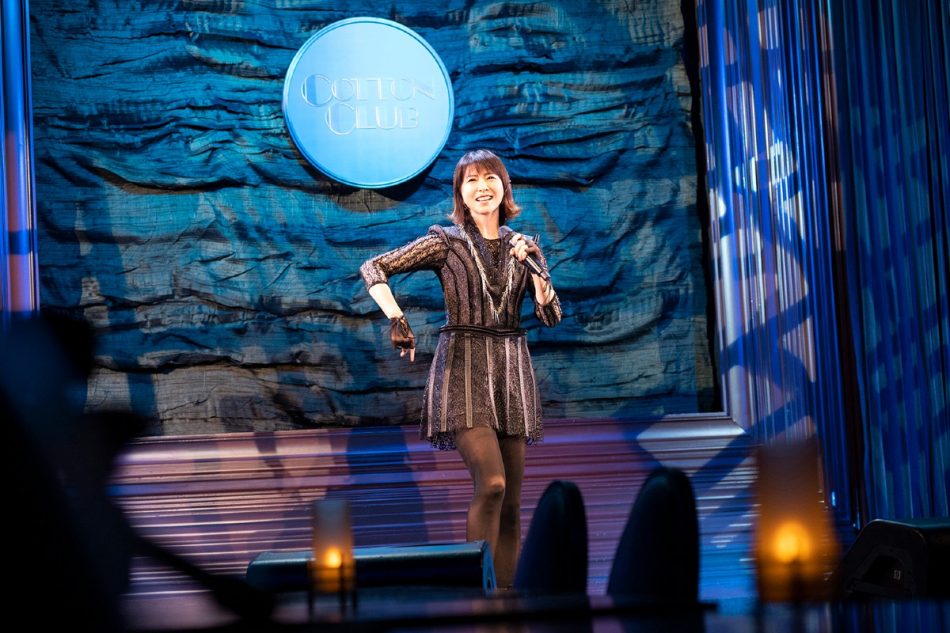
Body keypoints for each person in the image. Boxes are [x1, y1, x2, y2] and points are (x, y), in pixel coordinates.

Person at [360, 149, 562, 588]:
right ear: (461, 194)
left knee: (511, 502)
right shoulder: (445, 241)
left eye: (490, 178)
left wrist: (536, 267)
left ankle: (506, 599)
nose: (482, 187)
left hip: (511, 372)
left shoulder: (524, 246)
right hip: (463, 370)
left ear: (505, 188)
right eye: (471, 180)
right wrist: (396, 317)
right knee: (492, 484)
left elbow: (550, 315)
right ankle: (479, 592)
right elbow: (374, 266)